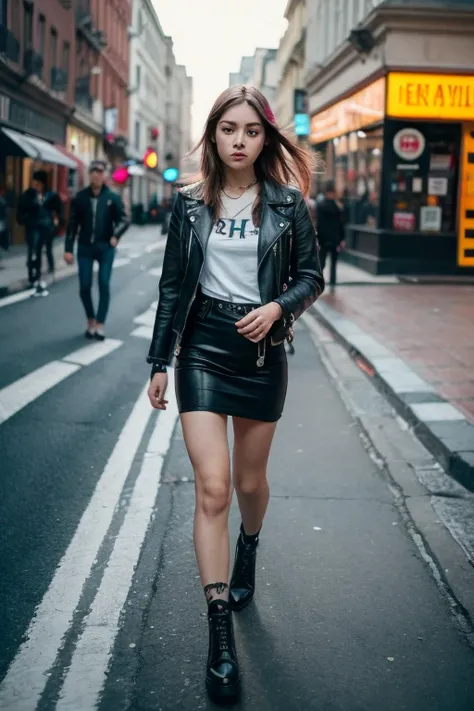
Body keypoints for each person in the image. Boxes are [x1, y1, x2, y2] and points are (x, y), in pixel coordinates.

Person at [146, 84, 325, 704]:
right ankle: (219, 635)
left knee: (250, 485)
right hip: (200, 347)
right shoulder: (189, 203)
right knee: (214, 487)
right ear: (213, 135)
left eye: (251, 131)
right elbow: (173, 284)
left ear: (265, 137)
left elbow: (312, 275)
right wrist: (159, 361)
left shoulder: (287, 204)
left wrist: (278, 308)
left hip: (260, 351)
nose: (240, 141)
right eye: (229, 130)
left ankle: (249, 546)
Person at [64, 160, 129, 340]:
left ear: (104, 175)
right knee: (84, 286)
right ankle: (90, 320)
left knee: (103, 284)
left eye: (100, 172)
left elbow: (124, 219)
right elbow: (72, 224)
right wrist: (68, 249)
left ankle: (100, 324)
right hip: (85, 247)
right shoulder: (80, 197)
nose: (96, 174)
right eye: (93, 171)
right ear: (89, 174)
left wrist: (116, 235)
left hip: (105, 248)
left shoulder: (112, 197)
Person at [16, 170, 62, 296]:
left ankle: (45, 271)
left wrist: (56, 223)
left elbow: (58, 210)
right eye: (34, 183)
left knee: (45, 249)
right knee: (32, 250)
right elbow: (21, 208)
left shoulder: (51, 196)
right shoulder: (29, 195)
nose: (36, 185)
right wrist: (23, 220)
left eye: (38, 183)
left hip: (46, 227)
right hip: (32, 226)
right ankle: (32, 275)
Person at [316, 180, 345, 287]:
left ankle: (319, 283)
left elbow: (319, 223)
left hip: (323, 238)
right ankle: (332, 283)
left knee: (321, 262)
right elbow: (341, 224)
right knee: (333, 263)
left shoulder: (320, 205)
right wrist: (342, 238)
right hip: (334, 238)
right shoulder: (337, 207)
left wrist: (318, 237)